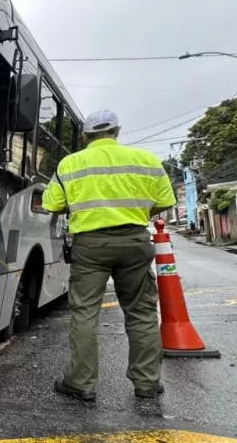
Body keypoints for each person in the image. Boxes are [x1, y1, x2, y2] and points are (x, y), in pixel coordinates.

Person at [43, 109, 177, 401]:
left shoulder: (70, 164)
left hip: (90, 246)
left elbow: (52, 204)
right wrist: (134, 212)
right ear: (117, 131)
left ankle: (81, 383)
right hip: (134, 240)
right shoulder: (147, 160)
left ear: (85, 136)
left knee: (84, 313)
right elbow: (165, 201)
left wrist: (82, 208)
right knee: (141, 313)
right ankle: (147, 383)